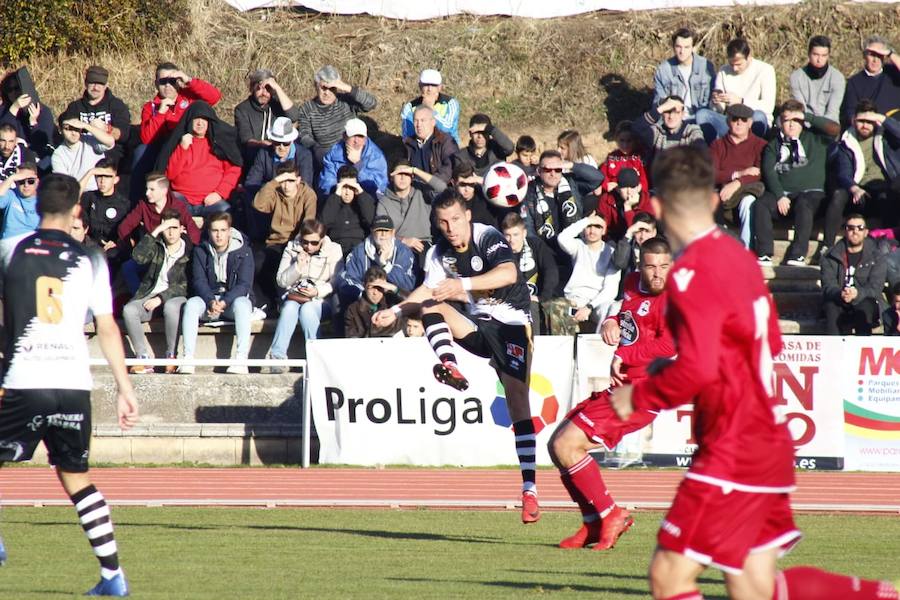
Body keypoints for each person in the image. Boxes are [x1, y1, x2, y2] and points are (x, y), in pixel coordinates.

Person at [610, 146, 899, 600]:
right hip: (766, 438)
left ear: (659, 206)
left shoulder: (688, 274)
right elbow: (764, 344)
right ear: (712, 199)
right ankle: (879, 593)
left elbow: (699, 367)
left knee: (670, 578)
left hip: (733, 443)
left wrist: (639, 397)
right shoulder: (741, 258)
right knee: (755, 588)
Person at [0, 172, 139, 596]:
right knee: (75, 475)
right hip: (74, 383)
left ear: (38, 204)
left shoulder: (10, 249)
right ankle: (113, 575)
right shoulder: (92, 259)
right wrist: (123, 386)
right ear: (77, 209)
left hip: (26, 376)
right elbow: (108, 327)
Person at [372, 191, 540, 523]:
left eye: (456, 220)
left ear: (467, 216)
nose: (451, 228)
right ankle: (450, 364)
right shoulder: (438, 253)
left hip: (513, 327)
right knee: (429, 305)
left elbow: (508, 274)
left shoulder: (486, 236)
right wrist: (394, 311)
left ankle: (530, 490)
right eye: (443, 222)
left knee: (518, 403)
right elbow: (426, 290)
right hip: (478, 327)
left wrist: (461, 284)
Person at [548, 237, 673, 551]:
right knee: (556, 445)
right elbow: (623, 316)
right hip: (621, 388)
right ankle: (592, 524)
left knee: (567, 445)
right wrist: (609, 323)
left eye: (664, 266)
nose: (658, 274)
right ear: (640, 267)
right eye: (651, 267)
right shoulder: (631, 283)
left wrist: (624, 357)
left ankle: (611, 514)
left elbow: (670, 344)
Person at [754, 100, 839, 266]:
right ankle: (764, 252)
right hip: (785, 197)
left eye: (796, 120)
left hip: (812, 196)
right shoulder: (774, 145)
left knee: (804, 202)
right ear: (780, 122)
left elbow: (834, 129)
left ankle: (798, 254)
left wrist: (806, 116)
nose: (791, 125)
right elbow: (769, 171)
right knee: (761, 204)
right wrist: (779, 195)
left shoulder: (816, 138)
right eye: (787, 120)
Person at [178, 212, 254, 375]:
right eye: (214, 230)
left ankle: (241, 359)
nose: (219, 235)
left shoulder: (244, 251)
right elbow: (199, 281)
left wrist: (225, 301)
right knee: (190, 305)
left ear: (229, 231)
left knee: (243, 304)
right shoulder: (201, 251)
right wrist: (211, 300)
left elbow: (244, 284)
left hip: (231, 302)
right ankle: (188, 358)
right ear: (209, 231)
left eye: (223, 230)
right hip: (209, 301)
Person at [263, 219, 343, 373]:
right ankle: (277, 357)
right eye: (305, 242)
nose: (309, 246)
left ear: (322, 239)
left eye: (314, 243)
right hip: (295, 296)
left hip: (321, 299)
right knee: (289, 308)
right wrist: (297, 266)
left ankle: (315, 359)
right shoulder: (292, 248)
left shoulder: (334, 250)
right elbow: (281, 280)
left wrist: (317, 291)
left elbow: (337, 280)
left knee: (307, 310)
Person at [133, 62, 221, 201]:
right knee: (141, 151)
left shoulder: (189, 99)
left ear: (178, 82)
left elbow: (214, 97)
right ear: (156, 84)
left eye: (172, 81)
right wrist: (161, 113)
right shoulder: (151, 107)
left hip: (188, 146)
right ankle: (138, 202)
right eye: (163, 81)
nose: (167, 85)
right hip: (162, 149)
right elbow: (146, 140)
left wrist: (189, 81)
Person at [123, 208, 191, 373]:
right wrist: (156, 231)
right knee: (129, 310)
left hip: (175, 297)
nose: (171, 232)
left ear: (182, 229)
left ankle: (170, 356)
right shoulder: (157, 246)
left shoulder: (191, 251)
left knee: (171, 307)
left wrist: (161, 298)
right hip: (151, 294)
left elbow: (185, 285)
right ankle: (143, 357)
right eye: (167, 228)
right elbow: (138, 257)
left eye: (174, 228)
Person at [826, 101, 900, 251]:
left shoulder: (885, 137)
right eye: (861, 121)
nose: (865, 125)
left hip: (883, 187)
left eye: (869, 122)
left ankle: (887, 246)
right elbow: (843, 172)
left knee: (888, 198)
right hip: (858, 191)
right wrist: (853, 188)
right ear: (854, 120)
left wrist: (882, 118)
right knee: (838, 195)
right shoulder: (846, 141)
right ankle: (827, 245)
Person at [156, 101, 243, 217]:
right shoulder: (179, 143)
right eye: (196, 118)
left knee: (225, 210)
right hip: (182, 198)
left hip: (211, 201)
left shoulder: (219, 144)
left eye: (204, 119)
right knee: (170, 206)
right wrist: (183, 148)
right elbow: (169, 175)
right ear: (189, 121)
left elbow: (234, 170)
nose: (200, 123)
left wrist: (219, 193)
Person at [251, 163, 317, 310]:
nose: (286, 186)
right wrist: (275, 182)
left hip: (298, 243)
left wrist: (297, 244)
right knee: (256, 264)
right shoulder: (276, 191)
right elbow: (258, 204)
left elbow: (308, 222)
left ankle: (284, 302)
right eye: (283, 181)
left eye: (291, 181)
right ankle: (265, 303)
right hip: (276, 242)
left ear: (299, 180)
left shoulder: (308, 194)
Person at [550, 213, 621, 335]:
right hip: (575, 299)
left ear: (604, 230)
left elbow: (611, 290)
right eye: (589, 226)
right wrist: (586, 220)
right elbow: (562, 238)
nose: (592, 231)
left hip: (598, 302)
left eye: (597, 227)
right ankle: (564, 351)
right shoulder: (578, 245)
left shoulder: (611, 252)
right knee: (557, 307)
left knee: (612, 308)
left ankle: (599, 349)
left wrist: (589, 307)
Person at [709, 103, 767, 248]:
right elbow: (711, 173)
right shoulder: (717, 145)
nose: (739, 122)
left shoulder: (760, 145)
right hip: (721, 193)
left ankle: (746, 249)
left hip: (746, 190)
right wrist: (738, 174)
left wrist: (737, 183)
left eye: (744, 119)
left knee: (748, 202)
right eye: (735, 119)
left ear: (750, 123)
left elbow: (759, 174)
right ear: (728, 121)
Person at [821, 214, 887, 336]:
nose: (855, 231)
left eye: (860, 228)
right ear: (845, 231)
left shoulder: (877, 256)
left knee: (866, 306)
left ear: (866, 232)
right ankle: (834, 350)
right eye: (850, 228)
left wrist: (857, 294)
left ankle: (862, 347)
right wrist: (840, 293)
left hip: (866, 302)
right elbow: (827, 285)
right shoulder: (830, 256)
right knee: (831, 306)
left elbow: (876, 288)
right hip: (839, 300)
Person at [297, 65, 378, 164]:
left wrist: (347, 88)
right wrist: (317, 148)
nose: (327, 93)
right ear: (316, 86)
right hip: (327, 157)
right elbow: (304, 136)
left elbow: (371, 103)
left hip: (354, 150)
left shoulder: (345, 101)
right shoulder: (307, 109)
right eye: (323, 88)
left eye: (332, 89)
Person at [698, 38, 777, 139]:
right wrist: (716, 102)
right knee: (702, 115)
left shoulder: (765, 70)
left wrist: (741, 101)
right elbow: (717, 110)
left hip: (752, 121)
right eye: (732, 64)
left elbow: (768, 106)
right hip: (730, 122)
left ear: (748, 57)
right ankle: (715, 150)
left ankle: (753, 150)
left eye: (738, 64)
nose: (735, 68)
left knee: (759, 116)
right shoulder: (723, 71)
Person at [336, 213, 417, 309]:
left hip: (394, 302)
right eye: (379, 230)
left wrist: (385, 265)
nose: (383, 234)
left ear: (393, 232)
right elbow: (348, 279)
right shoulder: (359, 251)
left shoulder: (403, 251)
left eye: (386, 231)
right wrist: (367, 293)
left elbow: (407, 285)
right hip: (364, 300)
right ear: (372, 231)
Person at [500, 212, 559, 334]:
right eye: (507, 235)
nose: (511, 240)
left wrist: (543, 297)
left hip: (533, 298)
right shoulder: (499, 252)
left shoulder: (536, 245)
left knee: (531, 306)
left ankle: (534, 348)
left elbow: (551, 270)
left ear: (524, 233)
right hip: (507, 299)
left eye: (516, 234)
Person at [62, 65, 132, 164]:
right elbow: (67, 132)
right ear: (86, 83)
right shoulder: (75, 107)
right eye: (92, 82)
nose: (95, 87)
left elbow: (123, 136)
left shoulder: (117, 105)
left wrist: (106, 128)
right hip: (81, 153)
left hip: (110, 155)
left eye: (100, 84)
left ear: (106, 85)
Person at [376, 160, 442, 263]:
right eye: (399, 174)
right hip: (396, 245)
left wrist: (415, 170)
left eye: (406, 174)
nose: (402, 178)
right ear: (392, 177)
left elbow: (442, 188)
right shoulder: (384, 201)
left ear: (412, 177)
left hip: (422, 243)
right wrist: (403, 241)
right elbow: (380, 232)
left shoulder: (422, 191)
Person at [653, 28, 717, 132]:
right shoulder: (664, 69)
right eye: (678, 47)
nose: (682, 51)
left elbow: (711, 100)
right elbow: (658, 101)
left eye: (687, 47)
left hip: (699, 117)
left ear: (693, 48)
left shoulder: (706, 66)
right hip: (674, 118)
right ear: (673, 47)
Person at [232, 69, 299, 165]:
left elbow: (294, 116)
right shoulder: (242, 109)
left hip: (279, 148)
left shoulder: (277, 105)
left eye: (268, 89)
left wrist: (277, 88)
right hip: (255, 153)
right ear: (252, 89)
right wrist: (267, 145)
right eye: (259, 88)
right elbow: (246, 139)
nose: (264, 93)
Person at [117, 172, 201, 247]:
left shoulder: (177, 206)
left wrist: (191, 249)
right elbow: (125, 226)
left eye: (152, 190)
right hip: (150, 251)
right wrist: (129, 244)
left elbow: (192, 229)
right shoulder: (143, 205)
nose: (147, 193)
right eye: (147, 189)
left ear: (164, 191)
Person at [78, 160, 130, 266]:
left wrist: (118, 242)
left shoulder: (124, 204)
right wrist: (90, 172)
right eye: (98, 176)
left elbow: (129, 233)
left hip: (112, 247)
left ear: (116, 179)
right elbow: (73, 197)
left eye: (107, 177)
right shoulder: (89, 197)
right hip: (90, 244)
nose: (102, 181)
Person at [318, 118, 388, 197]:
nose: (356, 141)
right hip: (340, 196)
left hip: (365, 198)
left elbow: (379, 188)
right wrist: (340, 192)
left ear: (365, 139)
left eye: (360, 136)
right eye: (353, 136)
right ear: (344, 136)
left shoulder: (376, 156)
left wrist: (358, 164)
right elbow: (326, 184)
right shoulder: (333, 155)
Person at [841, 35, 900, 127]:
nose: (875, 60)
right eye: (872, 55)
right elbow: (850, 112)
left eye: (879, 55)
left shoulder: (893, 73)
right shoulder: (854, 82)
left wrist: (890, 54)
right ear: (865, 56)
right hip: (869, 129)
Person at [318, 165, 377, 257]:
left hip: (360, 247)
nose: (347, 192)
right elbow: (323, 224)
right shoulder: (330, 201)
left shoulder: (364, 200)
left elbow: (372, 222)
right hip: (335, 247)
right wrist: (336, 196)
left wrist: (361, 195)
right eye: (344, 187)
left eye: (351, 187)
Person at [403, 105, 459, 198]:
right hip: (413, 194)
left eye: (423, 120)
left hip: (439, 193)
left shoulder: (445, 141)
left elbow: (449, 168)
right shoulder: (408, 144)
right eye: (416, 121)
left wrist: (431, 183)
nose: (419, 125)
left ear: (433, 122)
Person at [633, 96, 705, 167]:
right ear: (662, 113)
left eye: (676, 112)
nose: (671, 116)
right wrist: (660, 108)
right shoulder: (657, 131)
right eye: (667, 112)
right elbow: (637, 128)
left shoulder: (691, 131)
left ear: (682, 114)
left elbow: (701, 148)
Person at [0, 72, 56, 163]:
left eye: (17, 88)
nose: (14, 93)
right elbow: (2, 132)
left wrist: (33, 123)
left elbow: (43, 143)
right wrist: (14, 109)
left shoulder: (42, 111)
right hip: (7, 158)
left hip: (36, 159)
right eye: (10, 90)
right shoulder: (5, 111)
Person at [789, 36, 846, 123]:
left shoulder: (837, 78)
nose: (819, 59)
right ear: (809, 54)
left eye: (823, 55)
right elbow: (801, 109)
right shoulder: (796, 77)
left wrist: (820, 125)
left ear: (828, 56)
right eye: (815, 55)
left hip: (828, 125)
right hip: (804, 122)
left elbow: (832, 112)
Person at [51, 117, 115, 191]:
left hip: (100, 191)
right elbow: (65, 185)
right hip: (80, 193)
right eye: (68, 129)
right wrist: (89, 173)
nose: (73, 133)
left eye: (76, 129)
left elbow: (110, 142)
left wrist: (86, 126)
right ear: (60, 130)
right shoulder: (58, 155)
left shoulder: (89, 140)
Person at [400, 69, 461, 145]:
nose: (429, 89)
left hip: (447, 149)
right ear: (420, 86)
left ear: (439, 87)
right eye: (426, 85)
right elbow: (408, 136)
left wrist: (430, 109)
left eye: (433, 85)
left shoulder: (451, 103)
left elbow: (446, 129)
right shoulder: (409, 107)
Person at [344, 265, 405, 338]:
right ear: (364, 286)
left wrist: (394, 288)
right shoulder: (353, 310)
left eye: (379, 288)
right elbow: (352, 338)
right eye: (372, 288)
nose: (375, 292)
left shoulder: (392, 303)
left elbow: (413, 305)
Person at [596, 167, 652, 241]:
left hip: (640, 240)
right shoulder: (607, 199)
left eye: (632, 187)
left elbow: (639, 232)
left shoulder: (647, 201)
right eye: (624, 187)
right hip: (615, 238)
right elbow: (603, 225)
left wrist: (628, 208)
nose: (629, 192)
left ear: (639, 188)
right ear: (618, 189)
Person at [599, 121, 649, 200]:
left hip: (634, 197)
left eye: (629, 141)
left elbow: (645, 181)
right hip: (613, 197)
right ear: (616, 140)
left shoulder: (639, 157)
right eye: (621, 141)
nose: (625, 145)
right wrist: (608, 185)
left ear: (635, 140)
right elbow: (601, 177)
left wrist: (638, 188)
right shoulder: (612, 157)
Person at [0, 164, 40, 244]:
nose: (26, 185)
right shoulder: (11, 194)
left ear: (37, 182)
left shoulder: (44, 200)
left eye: (30, 181)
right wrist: (11, 178)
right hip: (8, 244)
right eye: (21, 181)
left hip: (31, 245)